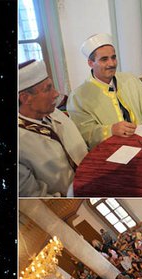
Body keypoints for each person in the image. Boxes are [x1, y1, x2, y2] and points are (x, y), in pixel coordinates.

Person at [68, 33, 142, 150]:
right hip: (112, 152)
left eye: (113, 57)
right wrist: (111, 130)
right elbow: (85, 132)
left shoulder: (130, 79)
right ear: (91, 63)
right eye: (104, 59)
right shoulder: (78, 97)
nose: (112, 63)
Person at [18, 60, 88, 197]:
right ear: (25, 98)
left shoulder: (55, 113)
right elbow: (34, 196)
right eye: (48, 89)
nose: (56, 94)